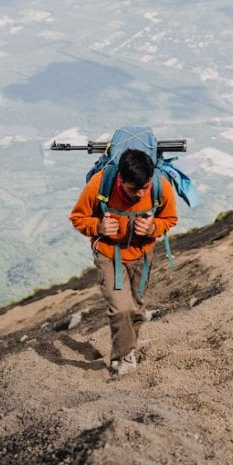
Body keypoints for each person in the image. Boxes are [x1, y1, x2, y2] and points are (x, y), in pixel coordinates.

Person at [69, 147, 177, 376]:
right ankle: (123, 357)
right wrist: (97, 227)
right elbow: (77, 218)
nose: (140, 194)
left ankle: (128, 349)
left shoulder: (160, 186)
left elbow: (170, 218)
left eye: (144, 188)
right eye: (133, 188)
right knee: (121, 308)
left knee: (137, 310)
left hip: (142, 254)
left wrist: (153, 227)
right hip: (109, 254)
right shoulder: (99, 184)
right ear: (120, 178)